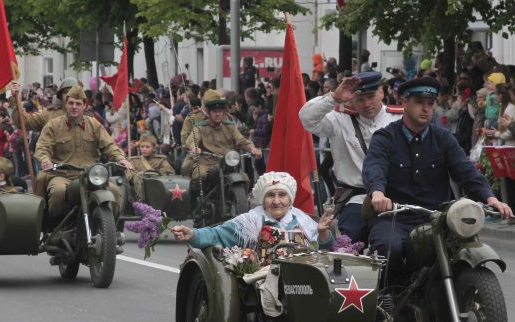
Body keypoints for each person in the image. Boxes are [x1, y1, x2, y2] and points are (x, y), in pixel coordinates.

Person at [362, 77, 512, 278]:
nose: (425, 109)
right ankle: (389, 300)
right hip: (395, 218)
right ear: (404, 102)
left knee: (463, 248)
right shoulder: (385, 137)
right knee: (389, 249)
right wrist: (378, 193)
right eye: (419, 102)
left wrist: (491, 198)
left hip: (438, 219)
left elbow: (465, 170)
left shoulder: (443, 138)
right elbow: (375, 166)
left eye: (430, 104)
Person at [299, 71, 401, 244]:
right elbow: (306, 118)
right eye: (360, 99)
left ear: (382, 92)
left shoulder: (399, 118)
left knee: (394, 247)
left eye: (371, 96)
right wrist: (333, 98)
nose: (367, 104)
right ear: (351, 99)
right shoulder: (340, 119)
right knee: (348, 247)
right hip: (355, 198)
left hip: (394, 198)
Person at [172, 172, 335, 264]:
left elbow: (326, 251)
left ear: (290, 200)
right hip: (262, 283)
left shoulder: (303, 221)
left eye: (282, 195)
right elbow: (216, 235)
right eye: (271, 195)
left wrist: (322, 234)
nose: (277, 201)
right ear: (263, 200)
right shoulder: (249, 222)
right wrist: (193, 234)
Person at [34, 85, 134, 220]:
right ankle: (55, 225)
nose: (74, 107)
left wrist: (121, 158)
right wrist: (45, 160)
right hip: (63, 175)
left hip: (90, 176)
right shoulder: (53, 125)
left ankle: (112, 229)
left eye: (78, 103)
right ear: (65, 104)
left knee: (115, 192)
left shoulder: (94, 125)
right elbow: (42, 147)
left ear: (84, 106)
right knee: (57, 192)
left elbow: (109, 145)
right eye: (71, 103)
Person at [10, 78, 79, 198]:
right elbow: (24, 122)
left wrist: (121, 158)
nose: (69, 95)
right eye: (65, 92)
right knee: (50, 187)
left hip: (83, 170)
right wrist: (16, 100)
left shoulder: (89, 117)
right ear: (60, 95)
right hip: (56, 170)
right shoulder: (50, 114)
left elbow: (106, 143)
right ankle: (44, 213)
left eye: (73, 91)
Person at [185, 89, 262, 182]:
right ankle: (200, 197)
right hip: (207, 163)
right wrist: (194, 148)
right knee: (200, 175)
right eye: (215, 111)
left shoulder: (230, 126)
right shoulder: (200, 127)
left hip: (228, 163)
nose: (218, 114)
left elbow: (241, 140)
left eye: (220, 111)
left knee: (244, 179)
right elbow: (192, 139)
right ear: (209, 113)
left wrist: (252, 149)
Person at [125, 134, 175, 201]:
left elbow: (169, 173)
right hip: (139, 189)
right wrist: (139, 176)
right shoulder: (134, 161)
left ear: (154, 148)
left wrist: (155, 175)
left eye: (147, 147)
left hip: (157, 189)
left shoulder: (160, 160)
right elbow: (129, 175)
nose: (144, 149)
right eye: (142, 147)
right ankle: (142, 202)